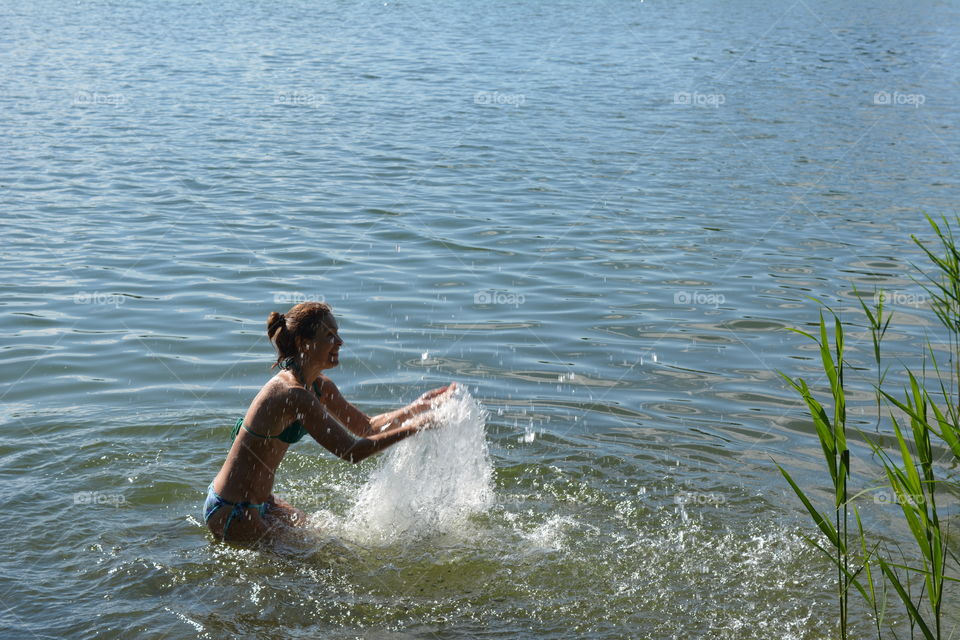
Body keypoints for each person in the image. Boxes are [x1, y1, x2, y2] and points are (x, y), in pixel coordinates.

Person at [203, 301, 455, 543]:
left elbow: (366, 426)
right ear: (304, 343)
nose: (340, 342)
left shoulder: (319, 386)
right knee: (319, 566)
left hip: (262, 503)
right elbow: (351, 452)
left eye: (338, 334)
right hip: (232, 510)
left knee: (327, 542)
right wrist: (417, 427)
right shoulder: (292, 393)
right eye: (330, 335)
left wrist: (418, 407)